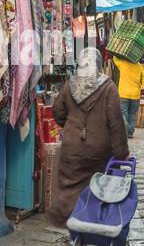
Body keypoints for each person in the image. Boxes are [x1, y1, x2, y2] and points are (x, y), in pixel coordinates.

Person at [46, 48, 130, 228]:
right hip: (98, 149)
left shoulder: (70, 85)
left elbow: (57, 112)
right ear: (98, 65)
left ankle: (65, 219)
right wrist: (122, 153)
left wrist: (70, 126)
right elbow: (116, 123)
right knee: (95, 187)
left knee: (69, 185)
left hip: (72, 146)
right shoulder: (108, 87)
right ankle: (89, 223)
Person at [110, 52, 144, 138]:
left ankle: (125, 127)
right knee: (132, 114)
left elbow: (114, 58)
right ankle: (130, 133)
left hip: (123, 94)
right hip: (135, 95)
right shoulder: (141, 67)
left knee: (123, 113)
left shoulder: (123, 64)